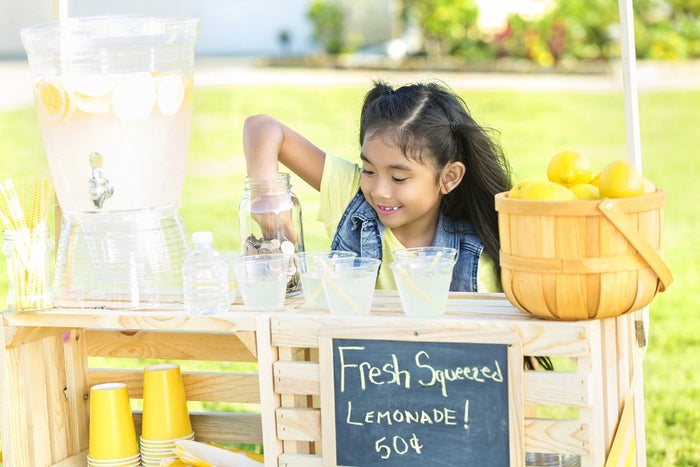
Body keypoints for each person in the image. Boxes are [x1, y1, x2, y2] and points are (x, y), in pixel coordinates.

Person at [242, 79, 513, 293]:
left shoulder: (478, 258)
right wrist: (267, 198)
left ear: (449, 177)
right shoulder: (351, 193)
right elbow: (262, 127)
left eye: (398, 178)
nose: (378, 190)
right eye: (369, 170)